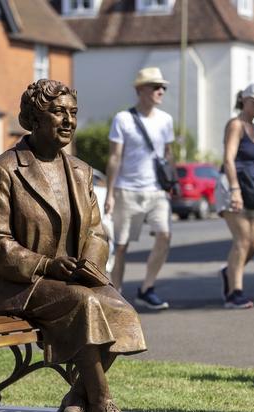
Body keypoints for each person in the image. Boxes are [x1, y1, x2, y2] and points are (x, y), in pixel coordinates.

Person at [0, 79, 147, 412]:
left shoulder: (81, 172)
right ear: (34, 119)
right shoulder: (3, 170)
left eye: (73, 113)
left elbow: (96, 232)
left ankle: (74, 397)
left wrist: (89, 265)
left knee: (122, 311)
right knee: (85, 304)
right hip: (19, 285)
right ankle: (100, 403)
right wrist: (47, 265)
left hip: (71, 281)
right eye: (57, 112)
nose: (68, 121)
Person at [104, 67, 175, 310]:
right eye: (155, 86)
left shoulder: (166, 120)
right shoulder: (122, 119)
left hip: (157, 191)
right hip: (127, 190)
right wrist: (110, 194)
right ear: (140, 90)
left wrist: (169, 184)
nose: (161, 91)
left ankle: (147, 288)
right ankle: (117, 295)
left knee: (164, 236)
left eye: (163, 87)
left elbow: (168, 154)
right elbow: (115, 158)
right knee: (121, 245)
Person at [215, 83, 254, 309]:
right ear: (245, 100)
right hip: (233, 185)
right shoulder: (236, 125)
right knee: (242, 240)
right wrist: (234, 189)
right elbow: (229, 159)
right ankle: (234, 293)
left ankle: (229, 272)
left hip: (253, 188)